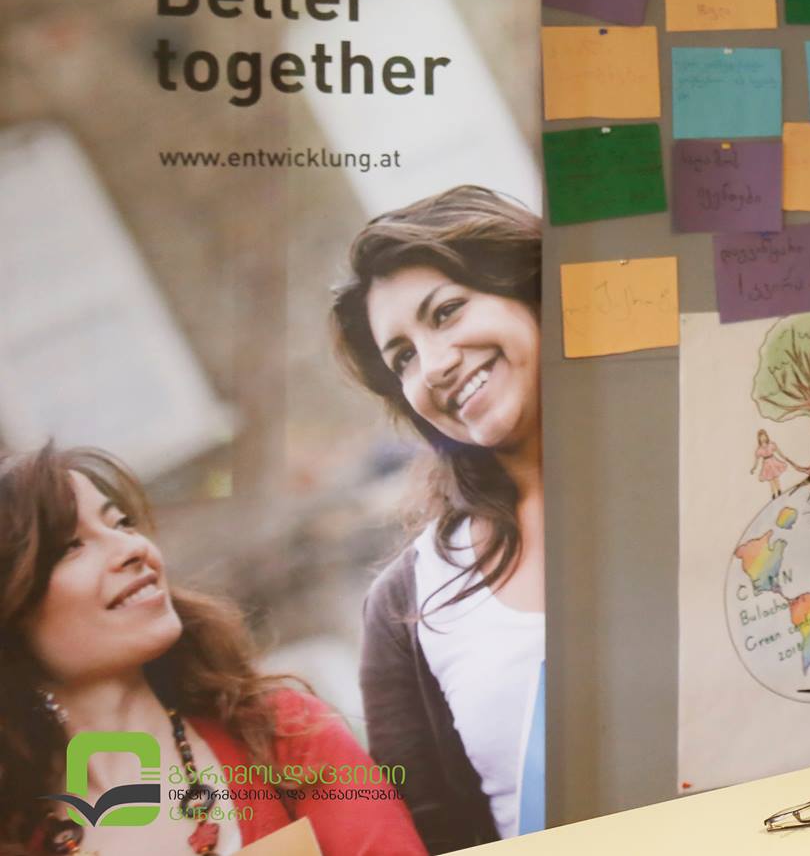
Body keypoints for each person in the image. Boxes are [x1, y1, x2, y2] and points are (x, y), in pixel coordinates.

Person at [0, 446, 426, 856]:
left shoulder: (282, 735)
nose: (132, 548)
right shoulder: (17, 834)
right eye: (71, 546)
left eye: (122, 524)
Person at [331, 185, 544, 852]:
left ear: (529, 285)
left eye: (447, 312)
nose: (436, 365)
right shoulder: (407, 606)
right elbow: (433, 833)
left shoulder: (703, 457)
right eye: (404, 357)